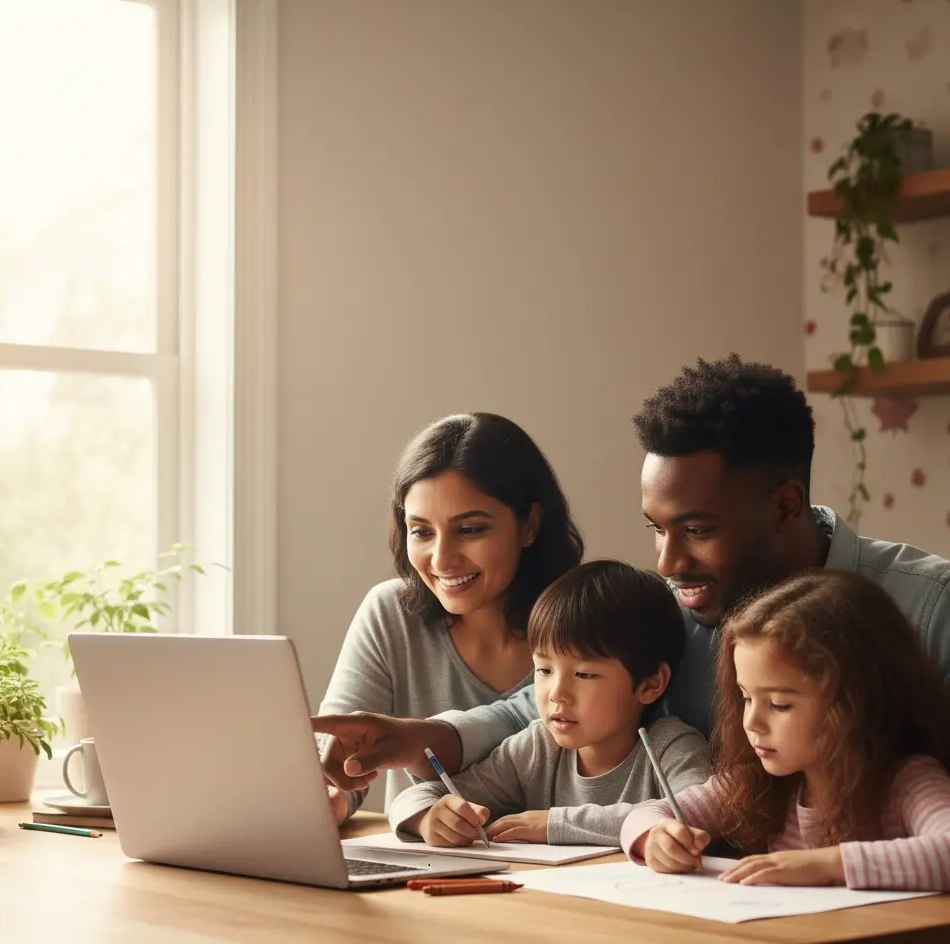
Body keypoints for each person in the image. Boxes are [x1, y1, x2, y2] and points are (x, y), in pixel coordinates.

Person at [312, 355, 950, 795]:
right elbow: (526, 715)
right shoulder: (671, 609)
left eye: (697, 531)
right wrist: (416, 739)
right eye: (656, 529)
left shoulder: (929, 608)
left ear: (784, 506)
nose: (668, 564)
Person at [317, 411, 584, 823]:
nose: (442, 559)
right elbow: (338, 764)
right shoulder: (391, 614)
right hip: (424, 875)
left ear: (529, 525)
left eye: (471, 529)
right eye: (421, 531)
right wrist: (327, 797)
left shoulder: (591, 624)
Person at [620, 570, 950, 891]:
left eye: (779, 704)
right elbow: (647, 812)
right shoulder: (758, 783)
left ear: (857, 701)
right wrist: (655, 835)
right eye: (746, 698)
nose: (751, 722)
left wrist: (827, 865)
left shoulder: (905, 782)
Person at [389, 559, 710, 848]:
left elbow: (695, 812)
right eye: (543, 670)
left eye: (584, 674)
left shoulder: (672, 746)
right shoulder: (537, 749)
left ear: (651, 683)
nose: (557, 693)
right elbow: (415, 797)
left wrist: (555, 824)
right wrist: (430, 817)